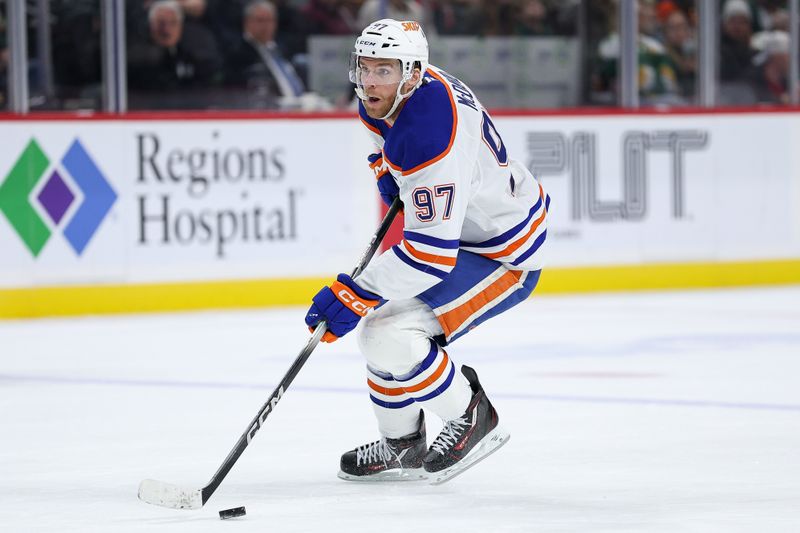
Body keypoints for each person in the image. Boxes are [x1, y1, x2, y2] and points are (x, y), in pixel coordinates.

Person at [304, 18, 549, 483]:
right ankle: (403, 445)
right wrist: (385, 169)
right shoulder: (393, 96)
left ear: (413, 73)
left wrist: (354, 293)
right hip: (464, 234)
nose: (369, 80)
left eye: (384, 70)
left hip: (502, 252)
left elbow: (430, 255)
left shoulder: (432, 134)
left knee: (388, 335)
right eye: (364, 67)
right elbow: (385, 143)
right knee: (379, 333)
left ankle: (471, 415)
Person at [226, 0, 306, 100]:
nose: (266, 26)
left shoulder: (279, 48)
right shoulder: (239, 54)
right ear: (247, 22)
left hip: (298, 103)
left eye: (270, 20)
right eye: (260, 20)